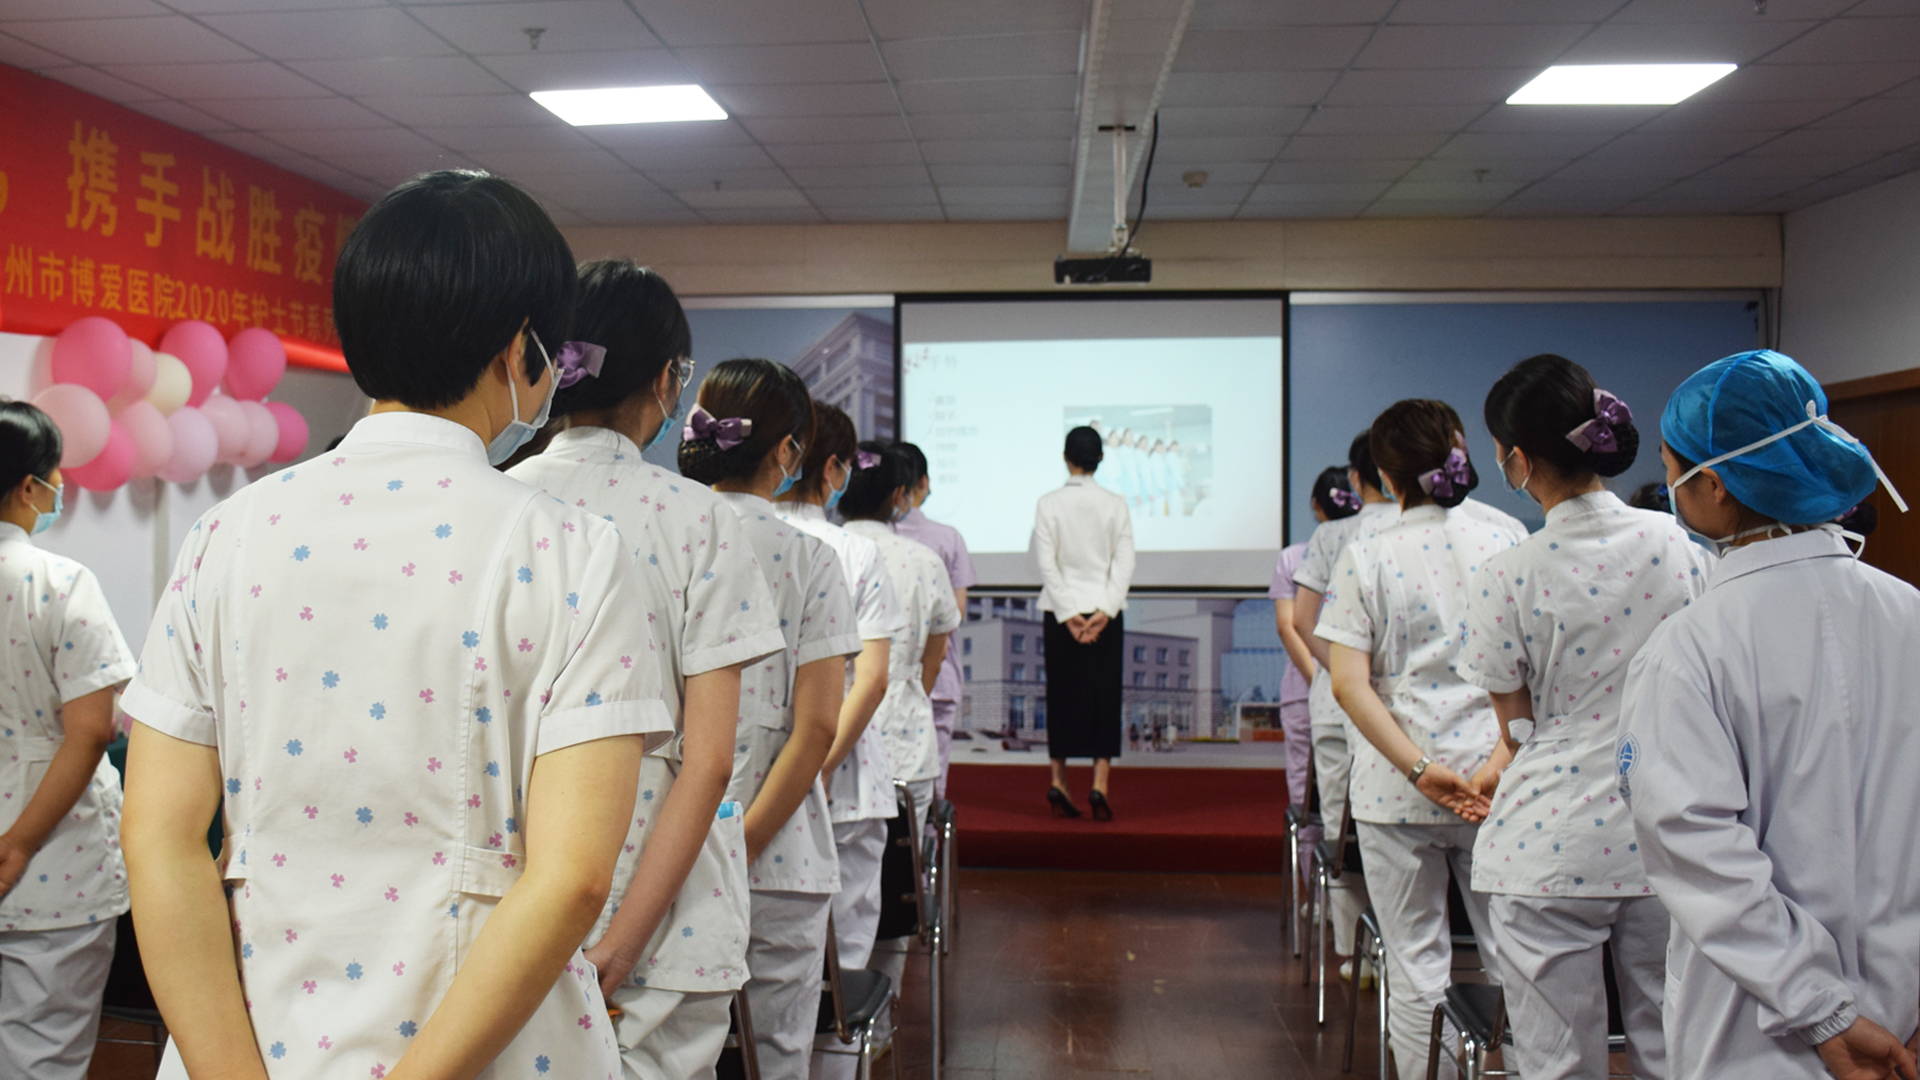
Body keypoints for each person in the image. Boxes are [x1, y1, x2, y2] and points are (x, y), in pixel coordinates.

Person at [119, 170, 670, 1080]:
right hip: (489, 1051)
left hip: (254, 1035)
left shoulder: (228, 534)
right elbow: (571, 878)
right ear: (521, 349)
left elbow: (162, 837)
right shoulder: (572, 550)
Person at [507, 261, 787, 1080]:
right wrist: (621, 945)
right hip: (664, 929)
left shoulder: (497, 504)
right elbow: (708, 762)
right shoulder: (698, 520)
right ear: (669, 381)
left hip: (516, 910)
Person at [1621, 349, 1919, 1080]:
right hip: (1902, 1016)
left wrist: (1822, 1008)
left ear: (1713, 487)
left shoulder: (1691, 646)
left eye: (1671, 467)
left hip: (1758, 1030)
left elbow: (1694, 847)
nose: (1670, 486)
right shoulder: (1908, 615)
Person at [1460, 355, 1711, 1080]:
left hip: (1550, 845)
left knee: (1556, 1062)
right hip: (1666, 831)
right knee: (1674, 1046)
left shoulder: (1508, 573)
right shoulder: (1679, 547)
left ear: (1518, 460)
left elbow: (1516, 726)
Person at [1316, 399, 1526, 1080]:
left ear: (1381, 472)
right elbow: (1530, 671)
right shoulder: (1506, 538)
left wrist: (1420, 770)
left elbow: (1349, 684)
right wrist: (1495, 762)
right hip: (1498, 784)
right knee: (1516, 959)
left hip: (1397, 790)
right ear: (1459, 451)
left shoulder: (1368, 550)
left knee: (1414, 964)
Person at [679, 359, 858, 1080]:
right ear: (789, 454)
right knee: (779, 1057)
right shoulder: (810, 557)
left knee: (671, 1058)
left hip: (665, 853)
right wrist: (740, 848)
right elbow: (815, 731)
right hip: (777, 856)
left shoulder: (662, 532)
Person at [0, 401, 137, 1080]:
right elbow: (90, 734)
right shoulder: (58, 583)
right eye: (53, 482)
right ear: (30, 488)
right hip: (51, 865)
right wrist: (19, 842)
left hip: (40, 858)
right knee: (42, 1056)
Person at [770, 402, 904, 1053]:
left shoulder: (727, 533)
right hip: (843, 787)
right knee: (838, 980)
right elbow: (872, 678)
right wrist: (816, 762)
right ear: (830, 468)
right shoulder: (853, 551)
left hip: (742, 790)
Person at [830, 440, 960, 1076]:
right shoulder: (921, 557)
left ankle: (830, 1015)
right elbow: (936, 648)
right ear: (899, 495)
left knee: (832, 889)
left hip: (825, 739)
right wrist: (909, 691)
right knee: (900, 889)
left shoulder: (822, 547)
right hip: (904, 735)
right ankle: (877, 1021)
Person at [1292, 432, 1397, 968]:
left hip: (1338, 703)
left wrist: (1349, 677)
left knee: (1342, 831)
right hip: (1412, 716)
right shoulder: (1452, 529)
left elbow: (1304, 623)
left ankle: (1351, 953)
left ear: (1357, 480)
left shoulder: (1333, 535)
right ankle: (1399, 957)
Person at [1032, 425, 1135, 821]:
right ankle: (1100, 784)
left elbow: (1047, 563)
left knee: (1061, 697)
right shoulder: (1116, 503)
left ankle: (1058, 780)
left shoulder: (1048, 503)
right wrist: (1103, 613)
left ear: (1065, 457)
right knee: (1104, 699)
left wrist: (1069, 615)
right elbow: (1124, 562)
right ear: (1100, 459)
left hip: (1061, 615)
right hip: (1105, 614)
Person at [1269, 467, 1360, 892]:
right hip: (1364, 693)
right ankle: (1347, 903)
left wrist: (1321, 678)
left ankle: (1322, 899)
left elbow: (1291, 627)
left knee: (1311, 803)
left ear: (1315, 506)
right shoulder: (1372, 544)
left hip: (1309, 692)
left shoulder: (1295, 555)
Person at [889, 441, 976, 801]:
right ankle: (925, 851)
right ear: (922, 483)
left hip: (874, 678)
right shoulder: (947, 539)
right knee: (930, 786)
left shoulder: (858, 539)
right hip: (936, 676)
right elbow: (953, 616)